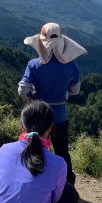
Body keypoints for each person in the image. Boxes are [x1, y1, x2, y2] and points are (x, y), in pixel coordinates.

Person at [18, 22, 86, 184]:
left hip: (39, 116)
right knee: (62, 151)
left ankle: (38, 180)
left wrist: (31, 97)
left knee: (37, 148)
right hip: (60, 115)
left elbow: (22, 90)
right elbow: (76, 89)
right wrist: (64, 94)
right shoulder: (70, 65)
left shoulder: (34, 64)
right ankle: (68, 182)